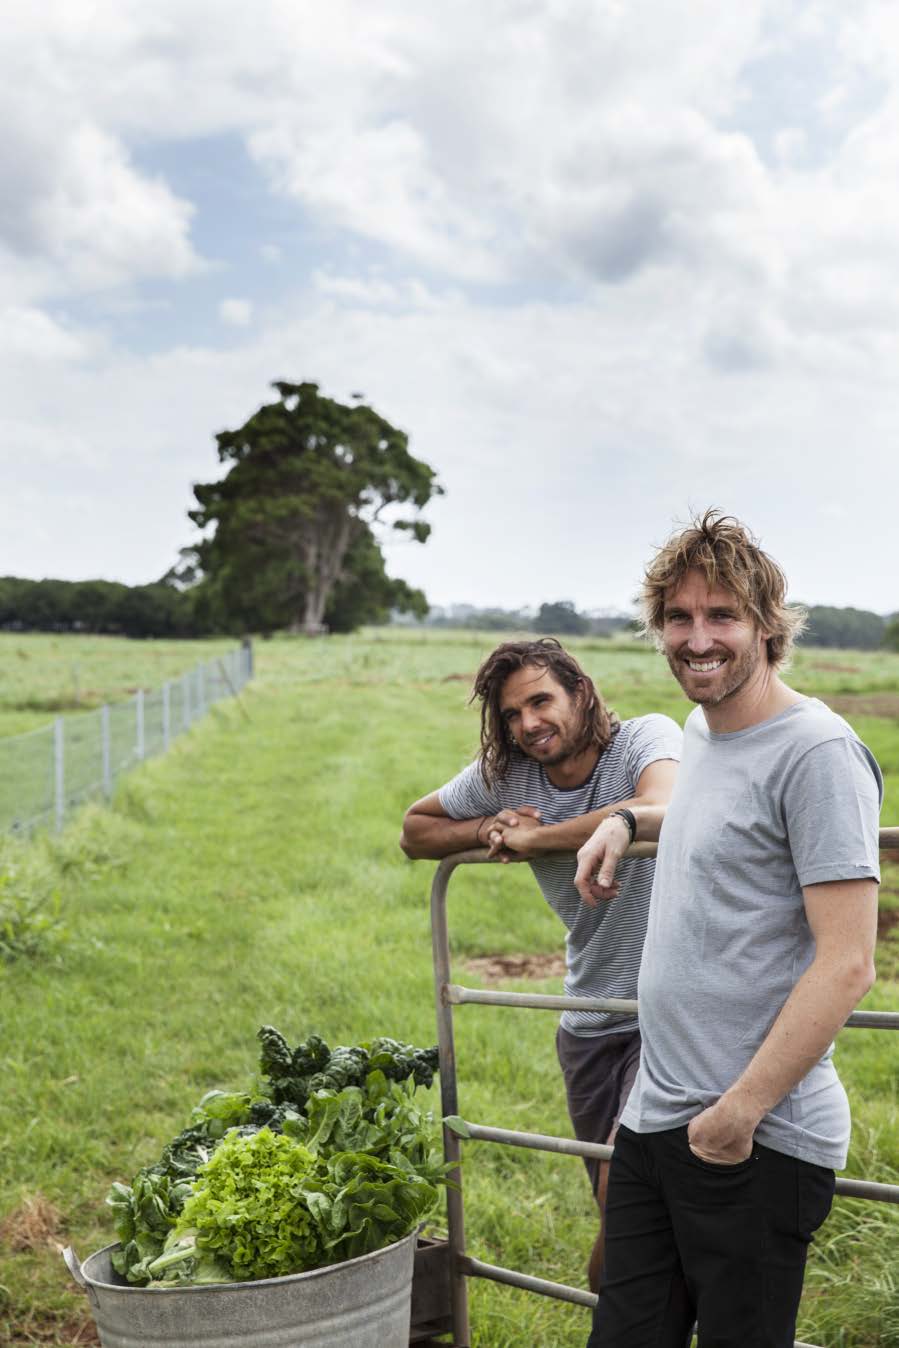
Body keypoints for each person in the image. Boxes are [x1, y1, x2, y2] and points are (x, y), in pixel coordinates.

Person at [577, 511, 882, 1348]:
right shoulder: (701, 734)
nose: (696, 638)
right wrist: (626, 821)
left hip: (750, 1138)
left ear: (765, 628)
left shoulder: (816, 752)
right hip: (654, 1119)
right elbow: (702, 820)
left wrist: (736, 1115)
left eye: (721, 616)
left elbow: (848, 963)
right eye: (677, 617)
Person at [399, 638, 681, 1290]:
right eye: (509, 714)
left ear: (580, 693)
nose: (526, 724)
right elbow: (414, 830)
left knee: (626, 1190)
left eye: (539, 701)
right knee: (623, 1204)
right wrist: (486, 828)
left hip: (666, 1007)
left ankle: (613, 1326)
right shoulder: (511, 774)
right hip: (586, 1021)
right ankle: (651, 1314)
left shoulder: (644, 738)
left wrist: (534, 840)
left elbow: (657, 811)